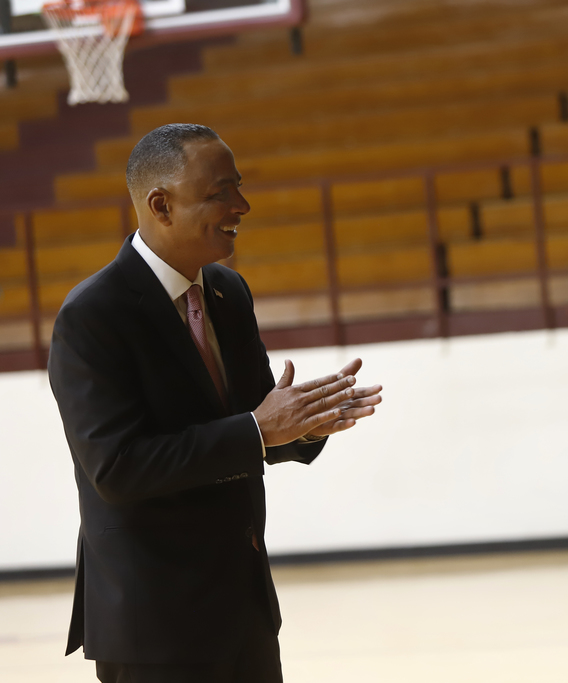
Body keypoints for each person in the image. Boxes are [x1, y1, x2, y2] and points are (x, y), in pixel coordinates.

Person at [47, 123, 383, 683]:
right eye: (220, 192)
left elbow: (258, 426)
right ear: (161, 205)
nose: (241, 205)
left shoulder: (229, 293)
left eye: (239, 186)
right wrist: (258, 430)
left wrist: (306, 423)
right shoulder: (91, 315)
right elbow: (118, 468)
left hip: (243, 607)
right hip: (153, 623)